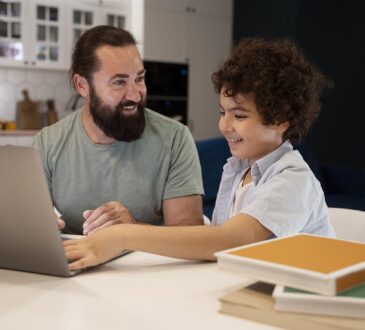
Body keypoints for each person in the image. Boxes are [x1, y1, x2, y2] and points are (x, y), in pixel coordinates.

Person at [64, 37, 336, 270]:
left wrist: (125, 235)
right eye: (223, 112)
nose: (224, 125)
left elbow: (230, 240)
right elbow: (213, 236)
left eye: (239, 115)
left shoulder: (292, 180)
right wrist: (136, 225)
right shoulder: (240, 169)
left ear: (281, 120)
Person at [33, 25, 204, 235]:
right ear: (82, 85)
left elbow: (191, 236)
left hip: (149, 266)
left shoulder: (175, 139)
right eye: (119, 82)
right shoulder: (47, 143)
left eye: (139, 79)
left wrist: (131, 230)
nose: (134, 95)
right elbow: (26, 224)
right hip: (77, 264)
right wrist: (35, 226)